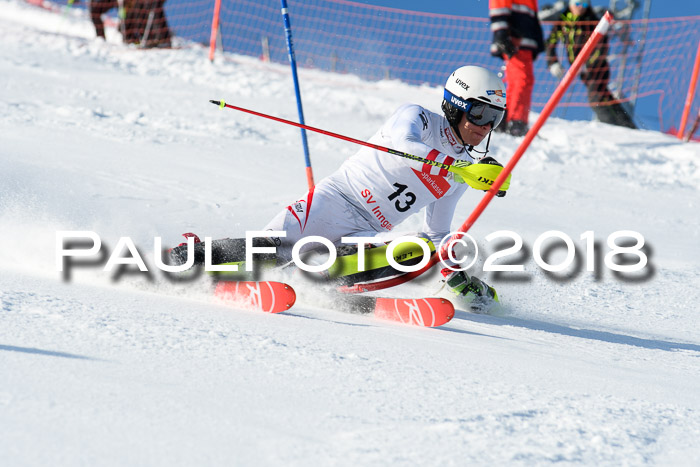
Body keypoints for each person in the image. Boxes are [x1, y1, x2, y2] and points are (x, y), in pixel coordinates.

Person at [170, 66, 509, 311]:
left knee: (416, 251)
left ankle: (315, 282)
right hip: (334, 200)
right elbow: (406, 145)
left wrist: (455, 274)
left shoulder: (462, 174)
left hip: (367, 231)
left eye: (494, 117)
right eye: (479, 112)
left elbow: (436, 235)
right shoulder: (417, 118)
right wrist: (461, 168)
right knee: (272, 249)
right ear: (455, 104)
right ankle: (191, 258)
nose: (485, 126)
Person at [545, 0, 636, 128]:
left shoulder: (591, 20)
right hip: (581, 70)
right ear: (571, 5)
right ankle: (628, 126)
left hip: (598, 68)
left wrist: (589, 63)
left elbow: (602, 44)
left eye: (585, 4)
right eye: (578, 4)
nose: (581, 8)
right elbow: (550, 43)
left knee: (596, 98)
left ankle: (613, 127)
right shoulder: (563, 21)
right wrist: (553, 63)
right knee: (605, 96)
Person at [489, 0, 545, 137]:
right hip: (514, 42)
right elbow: (498, 7)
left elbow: (532, 18)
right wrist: (501, 34)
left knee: (522, 81)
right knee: (522, 80)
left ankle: (504, 118)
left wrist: (537, 42)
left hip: (525, 43)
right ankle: (516, 122)